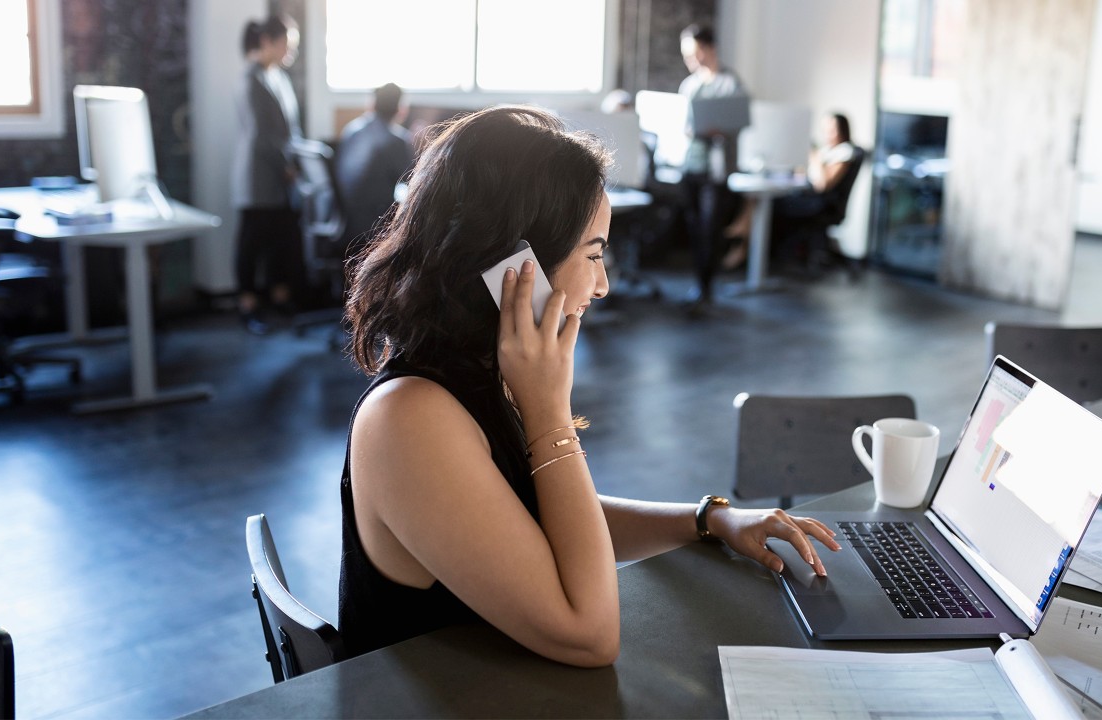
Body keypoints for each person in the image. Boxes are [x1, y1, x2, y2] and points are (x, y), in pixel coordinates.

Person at [339, 106, 839, 667]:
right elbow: (589, 634)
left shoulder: (477, 367)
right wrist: (549, 409)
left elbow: (532, 520)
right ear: (515, 264)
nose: (602, 285)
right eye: (594, 254)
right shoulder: (410, 419)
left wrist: (707, 519)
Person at [231, 15, 303, 335]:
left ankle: (279, 299)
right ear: (269, 42)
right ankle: (247, 304)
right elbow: (261, 135)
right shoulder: (252, 79)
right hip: (259, 174)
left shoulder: (280, 78)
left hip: (281, 174)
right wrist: (285, 165)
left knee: (279, 238)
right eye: (287, 43)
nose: (290, 50)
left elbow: (290, 128)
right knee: (252, 241)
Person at [722, 113, 859, 270]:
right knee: (757, 198)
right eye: (825, 129)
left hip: (819, 204)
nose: (828, 134)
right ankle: (743, 235)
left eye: (832, 129)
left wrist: (814, 156)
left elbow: (822, 184)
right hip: (807, 196)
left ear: (843, 130)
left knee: (767, 201)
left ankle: (743, 239)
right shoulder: (827, 150)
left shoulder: (845, 152)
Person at [677, 24, 746, 314]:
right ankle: (699, 282)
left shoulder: (730, 83)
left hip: (716, 171)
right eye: (687, 55)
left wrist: (721, 129)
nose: (691, 60)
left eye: (695, 52)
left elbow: (739, 121)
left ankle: (707, 286)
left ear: (710, 48)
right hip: (690, 164)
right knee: (694, 227)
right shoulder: (690, 85)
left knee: (710, 228)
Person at [335, 83, 416, 250]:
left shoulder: (351, 131)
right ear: (401, 109)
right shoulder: (396, 140)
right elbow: (411, 182)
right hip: (376, 226)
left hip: (346, 221)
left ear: (372, 104)